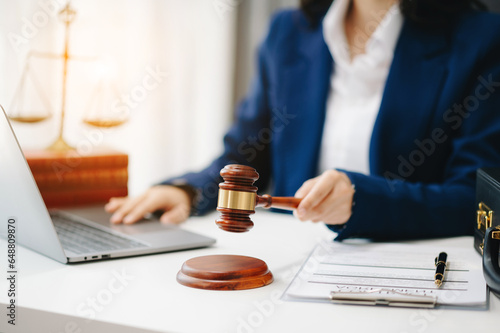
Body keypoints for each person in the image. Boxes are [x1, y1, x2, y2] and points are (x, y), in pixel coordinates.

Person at [105, 0, 500, 241]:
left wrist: (364, 201)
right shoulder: (288, 32)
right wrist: (190, 192)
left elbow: (478, 200)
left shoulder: (482, 39)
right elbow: (245, 154)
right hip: (290, 270)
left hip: (410, 278)